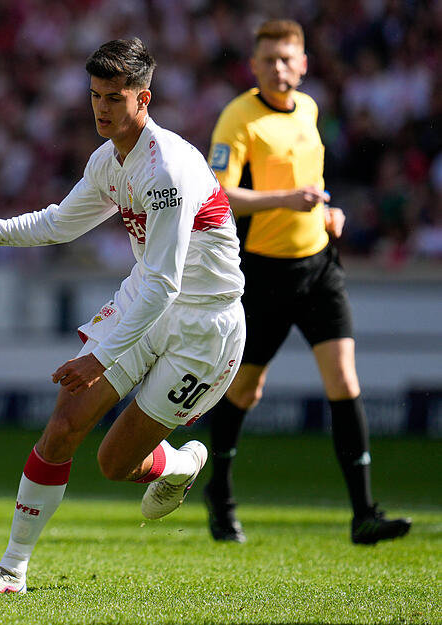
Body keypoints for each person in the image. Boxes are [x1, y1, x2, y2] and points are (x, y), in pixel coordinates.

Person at [0, 38, 246, 594]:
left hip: (205, 325)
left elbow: (165, 280)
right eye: (94, 96)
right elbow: (61, 222)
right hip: (149, 301)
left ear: (144, 99)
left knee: (113, 463)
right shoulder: (109, 159)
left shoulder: (168, 171)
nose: (101, 108)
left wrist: (100, 358)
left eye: (114, 97)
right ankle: (11, 570)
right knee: (63, 424)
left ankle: (176, 465)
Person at [202, 19, 411, 545]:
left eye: (286, 58)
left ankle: (364, 513)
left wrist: (326, 212)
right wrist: (285, 201)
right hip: (265, 273)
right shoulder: (238, 117)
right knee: (246, 389)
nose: (278, 67)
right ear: (253, 65)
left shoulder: (311, 109)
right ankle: (219, 495)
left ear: (303, 63)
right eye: (268, 58)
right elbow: (219, 195)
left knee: (344, 380)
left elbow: (310, 186)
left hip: (319, 265)